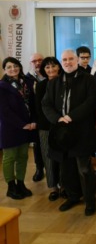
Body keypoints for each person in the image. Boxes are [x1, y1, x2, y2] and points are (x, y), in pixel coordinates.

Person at [42, 49, 96, 216]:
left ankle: (89, 201)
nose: (67, 62)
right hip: (61, 133)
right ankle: (73, 196)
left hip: (82, 131)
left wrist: (70, 116)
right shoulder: (53, 83)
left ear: (77, 60)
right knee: (66, 168)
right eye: (64, 59)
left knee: (84, 168)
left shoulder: (88, 79)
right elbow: (46, 105)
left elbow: (91, 102)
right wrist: (58, 119)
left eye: (71, 59)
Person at [0, 57, 35, 200]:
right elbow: (4, 111)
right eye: (9, 67)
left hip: (27, 127)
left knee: (23, 156)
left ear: (19, 67)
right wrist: (21, 124)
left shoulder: (26, 82)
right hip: (11, 128)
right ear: (4, 70)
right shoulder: (2, 86)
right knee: (9, 158)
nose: (13, 69)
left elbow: (32, 103)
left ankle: (21, 183)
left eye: (15, 66)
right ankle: (11, 186)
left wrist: (33, 121)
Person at [37, 57, 64, 201]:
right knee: (48, 158)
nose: (51, 69)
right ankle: (53, 187)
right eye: (47, 67)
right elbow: (40, 108)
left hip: (62, 126)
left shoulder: (65, 82)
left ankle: (63, 185)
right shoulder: (41, 86)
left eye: (53, 66)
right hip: (46, 127)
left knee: (62, 157)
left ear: (59, 67)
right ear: (43, 70)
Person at [26, 52, 45, 182]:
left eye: (40, 60)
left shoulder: (49, 75)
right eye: (34, 61)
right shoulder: (27, 79)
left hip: (50, 116)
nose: (37, 63)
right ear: (30, 63)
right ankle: (39, 169)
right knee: (37, 145)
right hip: (36, 117)